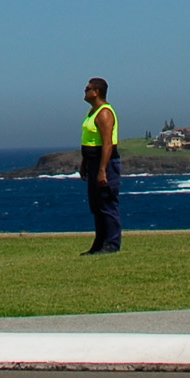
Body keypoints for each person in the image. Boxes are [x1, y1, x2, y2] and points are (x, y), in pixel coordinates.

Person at [80, 78, 121, 255]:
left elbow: (107, 144)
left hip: (105, 163)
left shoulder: (104, 113)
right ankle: (99, 242)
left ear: (96, 91)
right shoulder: (92, 112)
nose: (85, 91)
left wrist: (103, 170)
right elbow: (89, 140)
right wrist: (85, 164)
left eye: (87, 88)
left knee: (107, 203)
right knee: (96, 205)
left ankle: (112, 243)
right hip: (92, 162)